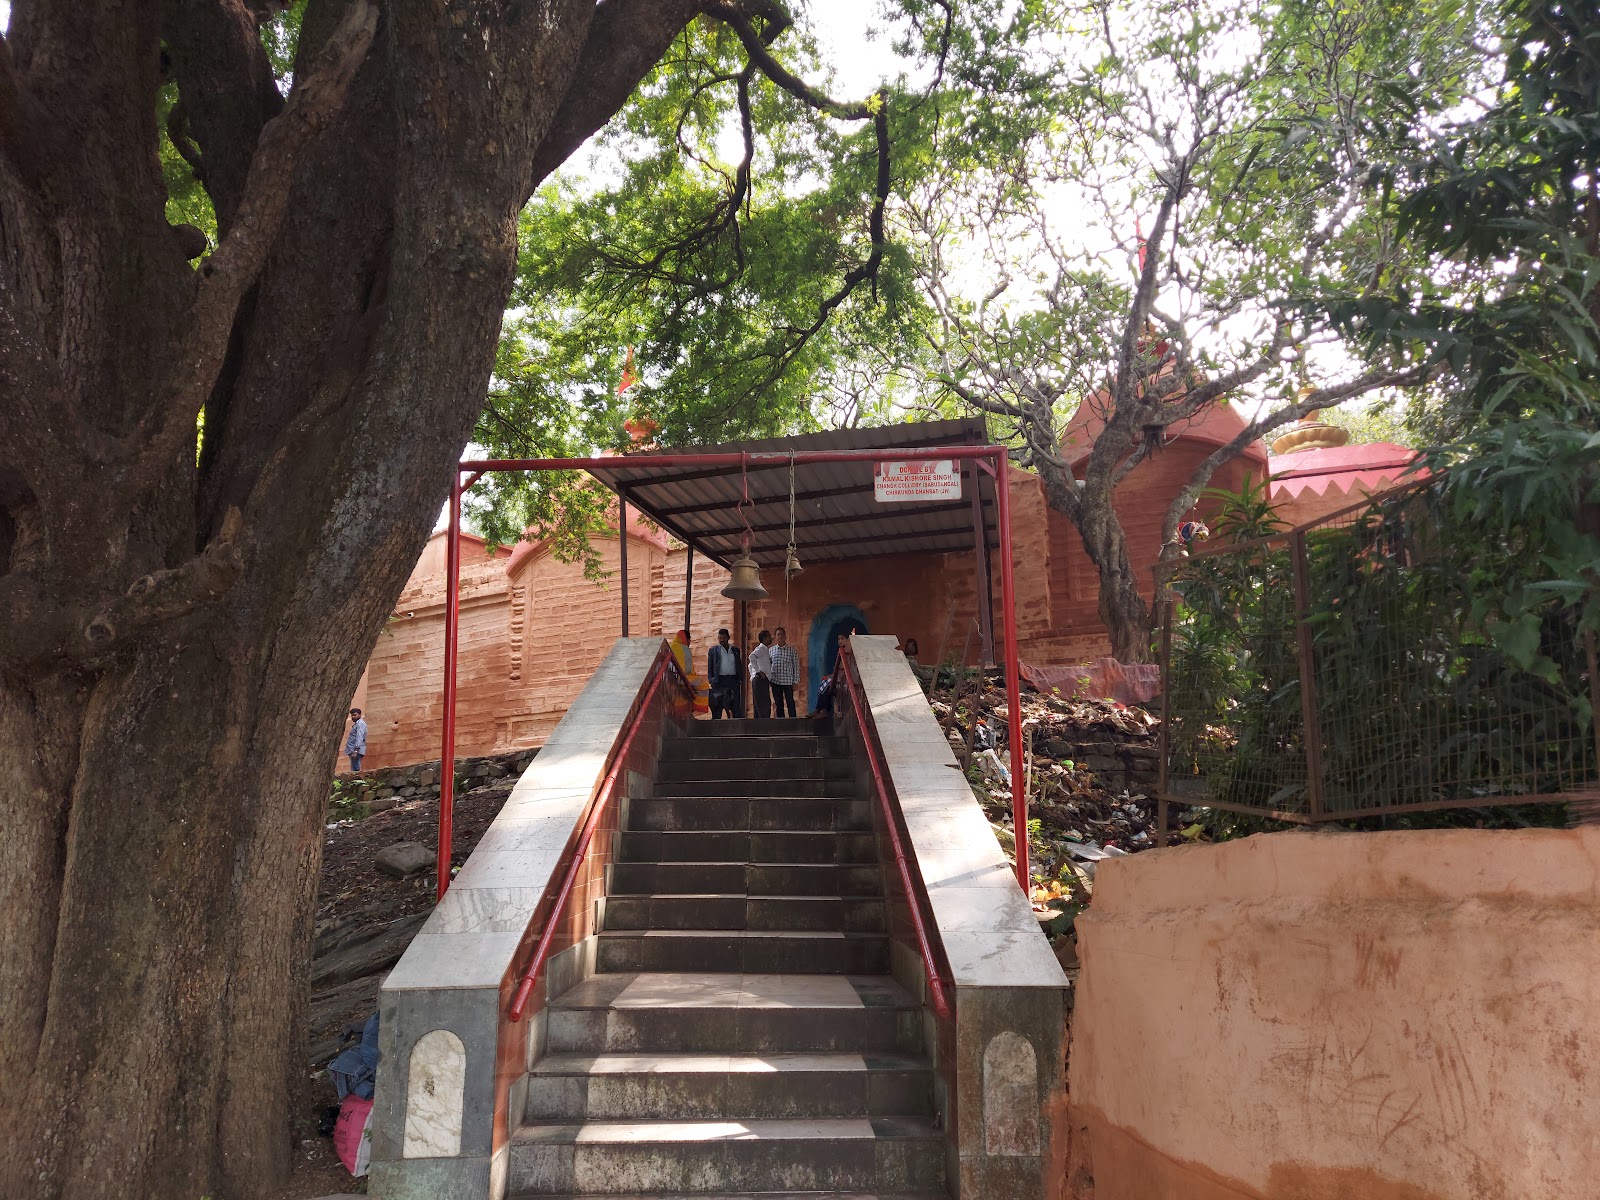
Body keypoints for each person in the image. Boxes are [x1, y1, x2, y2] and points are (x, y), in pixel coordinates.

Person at [706, 628, 743, 719]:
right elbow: (710, 666)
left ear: (728, 638)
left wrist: (740, 679)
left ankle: (737, 728)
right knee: (717, 706)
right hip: (719, 681)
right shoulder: (714, 651)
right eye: (720, 638)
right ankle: (716, 729)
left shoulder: (735, 650)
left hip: (733, 680)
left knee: (735, 706)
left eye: (724, 638)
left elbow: (739, 665)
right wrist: (711, 679)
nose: (722, 640)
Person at [768, 626, 800, 717]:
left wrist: (796, 681)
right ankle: (781, 723)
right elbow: (768, 666)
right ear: (775, 637)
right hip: (775, 681)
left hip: (788, 681)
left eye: (782, 634)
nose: (780, 636)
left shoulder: (792, 650)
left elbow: (796, 666)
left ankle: (793, 722)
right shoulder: (771, 651)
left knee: (790, 702)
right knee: (779, 703)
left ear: (785, 636)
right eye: (778, 634)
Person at [748, 629, 774, 719]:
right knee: (764, 705)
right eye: (769, 636)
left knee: (759, 705)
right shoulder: (761, 649)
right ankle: (764, 727)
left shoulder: (764, 649)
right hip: (760, 679)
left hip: (760, 679)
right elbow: (751, 657)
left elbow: (750, 665)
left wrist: (753, 675)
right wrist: (758, 671)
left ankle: (759, 728)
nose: (771, 638)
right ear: (764, 638)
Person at [344, 708, 367, 774]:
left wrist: (356, 750)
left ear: (359, 715)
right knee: (354, 768)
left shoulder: (360, 724)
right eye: (352, 715)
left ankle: (357, 782)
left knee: (356, 770)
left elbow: (359, 737)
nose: (353, 717)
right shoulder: (357, 724)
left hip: (356, 750)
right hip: (353, 749)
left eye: (355, 715)